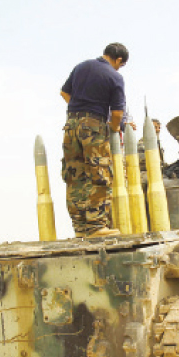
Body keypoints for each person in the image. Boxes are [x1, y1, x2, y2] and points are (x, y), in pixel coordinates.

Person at [60, 43, 129, 238]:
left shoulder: (81, 66)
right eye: (120, 65)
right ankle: (96, 226)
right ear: (118, 60)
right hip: (94, 126)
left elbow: (64, 93)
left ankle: (81, 227)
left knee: (75, 175)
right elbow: (117, 113)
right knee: (99, 173)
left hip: (71, 124)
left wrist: (79, 110)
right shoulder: (115, 77)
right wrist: (113, 127)